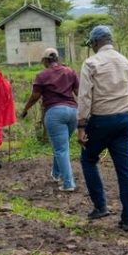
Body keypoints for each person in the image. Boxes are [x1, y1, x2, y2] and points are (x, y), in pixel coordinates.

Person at [76, 25, 128, 232]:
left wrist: (81, 125)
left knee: (88, 159)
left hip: (101, 120)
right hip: (124, 119)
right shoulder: (126, 61)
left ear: (94, 43)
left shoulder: (91, 63)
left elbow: (84, 97)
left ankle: (100, 205)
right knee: (124, 170)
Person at [20, 48, 79, 192]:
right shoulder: (70, 72)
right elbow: (79, 93)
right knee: (61, 146)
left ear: (46, 61)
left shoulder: (42, 75)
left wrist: (25, 109)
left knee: (61, 148)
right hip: (73, 112)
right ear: (57, 59)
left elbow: (35, 96)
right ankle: (56, 173)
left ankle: (68, 183)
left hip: (55, 113)